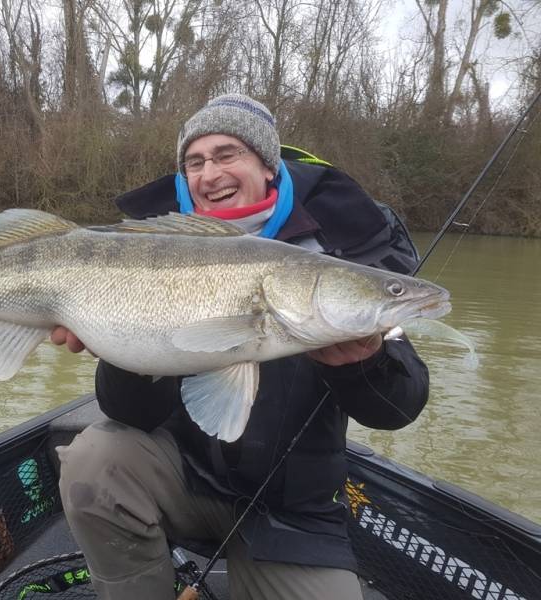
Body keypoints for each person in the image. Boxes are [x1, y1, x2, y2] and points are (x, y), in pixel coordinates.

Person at [51, 94, 429, 599]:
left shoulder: (339, 253)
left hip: (295, 516)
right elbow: (127, 412)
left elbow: (398, 410)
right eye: (195, 162)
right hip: (184, 478)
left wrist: (364, 365)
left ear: (268, 166)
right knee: (93, 458)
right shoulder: (142, 249)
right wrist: (122, 349)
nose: (211, 174)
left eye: (229, 154)